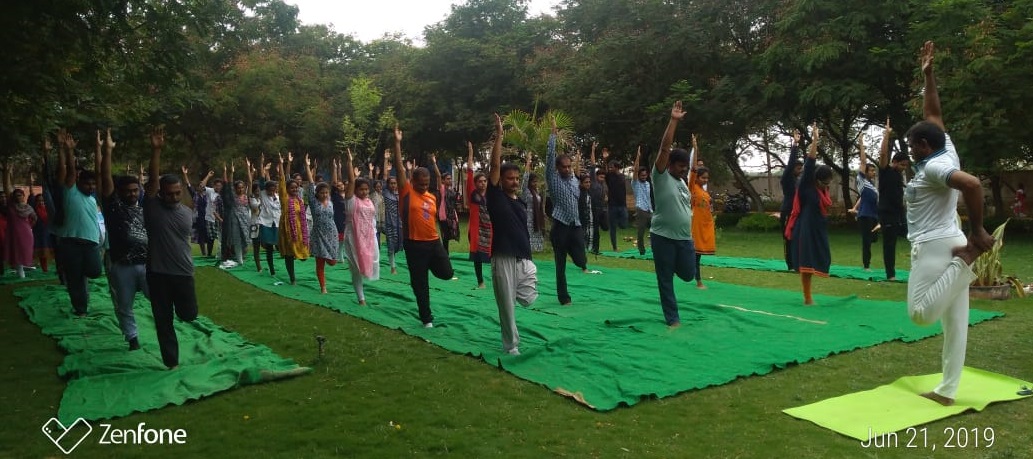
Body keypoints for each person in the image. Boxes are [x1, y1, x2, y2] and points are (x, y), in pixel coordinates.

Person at [904, 41, 994, 407]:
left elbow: (971, 184)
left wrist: (977, 233)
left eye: (912, 146)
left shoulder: (936, 167)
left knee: (921, 314)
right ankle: (947, 390)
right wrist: (929, 75)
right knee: (955, 326)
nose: (909, 150)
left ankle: (967, 259)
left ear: (924, 146)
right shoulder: (944, 148)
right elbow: (934, 114)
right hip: (947, 236)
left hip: (937, 246)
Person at [143, 127, 199, 369]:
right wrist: (156, 151)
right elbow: (153, 182)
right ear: (161, 194)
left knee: (189, 315)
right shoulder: (152, 208)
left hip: (184, 272)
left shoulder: (187, 210)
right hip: (158, 274)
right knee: (163, 320)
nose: (173, 197)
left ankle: (182, 311)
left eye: (177, 193)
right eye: (169, 194)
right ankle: (171, 362)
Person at [485, 113, 538, 355]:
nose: (514, 182)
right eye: (510, 178)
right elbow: (495, 166)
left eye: (517, 178)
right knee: (506, 305)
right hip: (503, 256)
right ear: (501, 180)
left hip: (522, 256)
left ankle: (514, 290)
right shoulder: (496, 197)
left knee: (528, 298)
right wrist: (499, 136)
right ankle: (511, 344)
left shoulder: (520, 202)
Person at [393, 125, 454, 327]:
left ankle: (427, 265)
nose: (424, 186)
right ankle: (426, 318)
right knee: (421, 285)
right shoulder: (407, 193)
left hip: (433, 242)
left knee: (447, 273)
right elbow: (400, 168)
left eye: (427, 183)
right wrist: (397, 143)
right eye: (421, 183)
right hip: (415, 245)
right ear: (413, 181)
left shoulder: (431, 196)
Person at [97, 129, 147, 350]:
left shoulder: (145, 207)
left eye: (135, 190)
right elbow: (105, 178)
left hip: (147, 263)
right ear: (119, 192)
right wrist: (107, 151)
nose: (132, 194)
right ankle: (132, 338)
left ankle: (167, 331)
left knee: (160, 299)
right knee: (124, 305)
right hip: (121, 265)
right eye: (127, 191)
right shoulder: (113, 207)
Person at [649, 102, 698, 327]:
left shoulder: (683, 184)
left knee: (688, 274)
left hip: (684, 239)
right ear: (670, 164)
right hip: (662, 237)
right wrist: (674, 120)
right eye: (680, 166)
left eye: (685, 167)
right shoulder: (661, 176)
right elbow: (664, 148)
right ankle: (673, 318)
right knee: (665, 279)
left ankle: (674, 265)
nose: (683, 170)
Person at [545, 116, 595, 305]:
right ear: (557, 168)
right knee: (560, 265)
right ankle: (563, 297)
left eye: (568, 166)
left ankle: (577, 258)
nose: (566, 169)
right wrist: (553, 135)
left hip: (575, 225)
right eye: (563, 167)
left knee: (581, 259)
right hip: (560, 226)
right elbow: (550, 157)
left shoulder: (575, 179)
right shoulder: (553, 178)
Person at [55, 129, 102, 316]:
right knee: (75, 280)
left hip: (91, 244)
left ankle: (80, 281)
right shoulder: (71, 192)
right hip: (71, 243)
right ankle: (80, 309)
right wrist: (68, 150)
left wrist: (99, 148)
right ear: (78, 183)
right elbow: (71, 172)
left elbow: (99, 172)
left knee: (94, 271)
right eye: (87, 184)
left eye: (93, 184)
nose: (91, 186)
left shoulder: (93, 198)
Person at [785, 123, 833, 306]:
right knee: (806, 263)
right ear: (816, 179)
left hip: (818, 228)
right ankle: (807, 297)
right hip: (805, 227)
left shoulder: (824, 192)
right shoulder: (806, 186)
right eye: (824, 182)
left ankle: (809, 294)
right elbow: (810, 161)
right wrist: (815, 140)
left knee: (822, 257)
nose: (826, 185)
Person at [340, 149, 380, 304]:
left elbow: (372, 220)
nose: (364, 191)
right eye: (361, 189)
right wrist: (350, 162)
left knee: (371, 263)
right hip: (353, 238)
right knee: (356, 268)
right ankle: (361, 298)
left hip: (369, 237)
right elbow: (351, 180)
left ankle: (362, 294)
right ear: (355, 190)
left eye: (366, 189)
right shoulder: (351, 201)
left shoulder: (369, 201)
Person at [876, 119, 909, 281]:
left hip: (899, 212)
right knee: (889, 244)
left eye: (905, 166)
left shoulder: (898, 176)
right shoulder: (885, 171)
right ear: (894, 162)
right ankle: (891, 274)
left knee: (912, 237)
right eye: (901, 165)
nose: (903, 168)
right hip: (887, 213)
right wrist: (886, 135)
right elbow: (882, 155)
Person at [306, 154, 339, 294]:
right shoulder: (314, 203)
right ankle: (323, 287)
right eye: (322, 193)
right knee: (320, 263)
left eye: (326, 192)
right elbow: (311, 183)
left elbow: (335, 183)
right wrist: (308, 167)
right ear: (317, 193)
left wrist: (335, 168)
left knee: (332, 262)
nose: (325, 194)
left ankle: (326, 256)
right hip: (318, 235)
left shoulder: (330, 200)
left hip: (332, 233)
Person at [277, 152, 310, 285]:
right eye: (292, 188)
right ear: (287, 189)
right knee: (289, 255)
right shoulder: (285, 198)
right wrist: (283, 163)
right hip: (287, 230)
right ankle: (292, 278)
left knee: (302, 255)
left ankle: (300, 255)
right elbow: (282, 179)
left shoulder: (299, 200)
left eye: (296, 187)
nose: (295, 189)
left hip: (300, 230)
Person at [848, 136, 879, 272]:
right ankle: (866, 266)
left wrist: (855, 208)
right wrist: (861, 145)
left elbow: (862, 197)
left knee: (874, 239)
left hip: (872, 215)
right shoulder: (861, 180)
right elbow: (863, 161)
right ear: (865, 172)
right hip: (865, 216)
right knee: (867, 241)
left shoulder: (870, 185)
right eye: (872, 170)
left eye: (874, 171)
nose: (874, 172)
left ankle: (866, 262)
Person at [689, 135, 715, 289]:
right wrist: (695, 149)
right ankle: (698, 280)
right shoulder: (692, 186)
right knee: (696, 255)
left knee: (697, 255)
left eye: (707, 178)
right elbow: (693, 169)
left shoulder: (704, 192)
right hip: (695, 224)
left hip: (704, 224)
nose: (705, 180)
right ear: (697, 177)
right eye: (703, 178)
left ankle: (696, 278)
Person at [465, 145, 492, 289]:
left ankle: (498, 279)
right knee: (477, 257)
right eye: (480, 181)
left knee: (494, 255)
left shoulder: (491, 195)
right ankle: (480, 281)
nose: (483, 183)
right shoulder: (472, 194)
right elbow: (469, 173)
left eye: (484, 181)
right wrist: (470, 153)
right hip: (476, 231)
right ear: (475, 184)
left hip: (490, 230)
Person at [3, 165, 36, 278]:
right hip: (13, 233)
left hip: (26, 232)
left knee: (25, 250)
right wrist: (7, 172)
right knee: (15, 251)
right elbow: (8, 191)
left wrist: (29, 226)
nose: (19, 197)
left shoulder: (28, 207)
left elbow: (34, 218)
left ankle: (25, 266)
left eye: (20, 195)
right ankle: (19, 270)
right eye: (16, 195)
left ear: (23, 196)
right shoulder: (11, 207)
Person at [218, 161, 251, 269]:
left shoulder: (246, 196)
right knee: (237, 239)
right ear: (235, 188)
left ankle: (242, 255)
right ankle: (239, 259)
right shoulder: (233, 197)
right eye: (238, 187)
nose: (240, 189)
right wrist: (229, 172)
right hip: (235, 220)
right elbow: (229, 184)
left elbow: (250, 182)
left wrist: (248, 167)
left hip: (246, 220)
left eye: (242, 187)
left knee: (246, 240)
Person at [780, 130, 804, 271]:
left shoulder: (797, 180)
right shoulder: (787, 178)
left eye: (801, 168)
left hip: (796, 212)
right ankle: (791, 265)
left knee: (797, 238)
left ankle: (797, 262)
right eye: (798, 168)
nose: (799, 170)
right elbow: (789, 164)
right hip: (788, 211)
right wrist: (795, 144)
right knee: (788, 238)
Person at [254, 156, 281, 276]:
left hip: (277, 224)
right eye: (269, 189)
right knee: (269, 248)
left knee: (280, 246)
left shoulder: (278, 197)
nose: (272, 191)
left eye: (273, 189)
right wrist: (261, 164)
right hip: (266, 224)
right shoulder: (263, 194)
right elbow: (261, 179)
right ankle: (272, 269)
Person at [430, 155, 460, 253]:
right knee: (445, 237)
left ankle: (444, 253)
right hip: (443, 216)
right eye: (447, 179)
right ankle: (444, 254)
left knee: (451, 235)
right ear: (443, 181)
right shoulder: (442, 189)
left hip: (451, 215)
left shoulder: (451, 191)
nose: (450, 180)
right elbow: (438, 175)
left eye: (450, 178)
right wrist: (434, 162)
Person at [602, 147, 628, 251]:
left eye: (612, 167)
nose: (610, 168)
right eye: (609, 167)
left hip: (622, 206)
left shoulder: (622, 176)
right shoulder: (609, 177)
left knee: (624, 225)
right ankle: (615, 247)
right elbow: (604, 169)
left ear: (617, 167)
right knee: (612, 228)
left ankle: (618, 221)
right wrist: (605, 159)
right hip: (612, 206)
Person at [381, 155, 402, 275]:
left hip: (399, 223)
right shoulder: (386, 193)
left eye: (395, 183)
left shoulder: (399, 194)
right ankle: (393, 267)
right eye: (391, 183)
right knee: (391, 245)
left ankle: (394, 260)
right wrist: (386, 162)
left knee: (399, 245)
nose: (393, 185)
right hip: (389, 223)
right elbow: (384, 177)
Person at [520, 153, 546, 253]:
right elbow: (525, 178)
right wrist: (528, 162)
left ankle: (534, 250)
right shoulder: (526, 191)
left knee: (536, 234)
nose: (535, 183)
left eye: (536, 181)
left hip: (536, 218)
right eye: (533, 181)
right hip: (527, 218)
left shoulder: (536, 192)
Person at [630, 146, 653, 256]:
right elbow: (635, 171)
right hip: (640, 209)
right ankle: (642, 250)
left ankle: (654, 246)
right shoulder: (635, 183)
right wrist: (637, 158)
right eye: (642, 175)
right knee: (641, 231)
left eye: (645, 175)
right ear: (638, 176)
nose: (644, 176)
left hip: (649, 209)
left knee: (655, 229)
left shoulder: (648, 184)